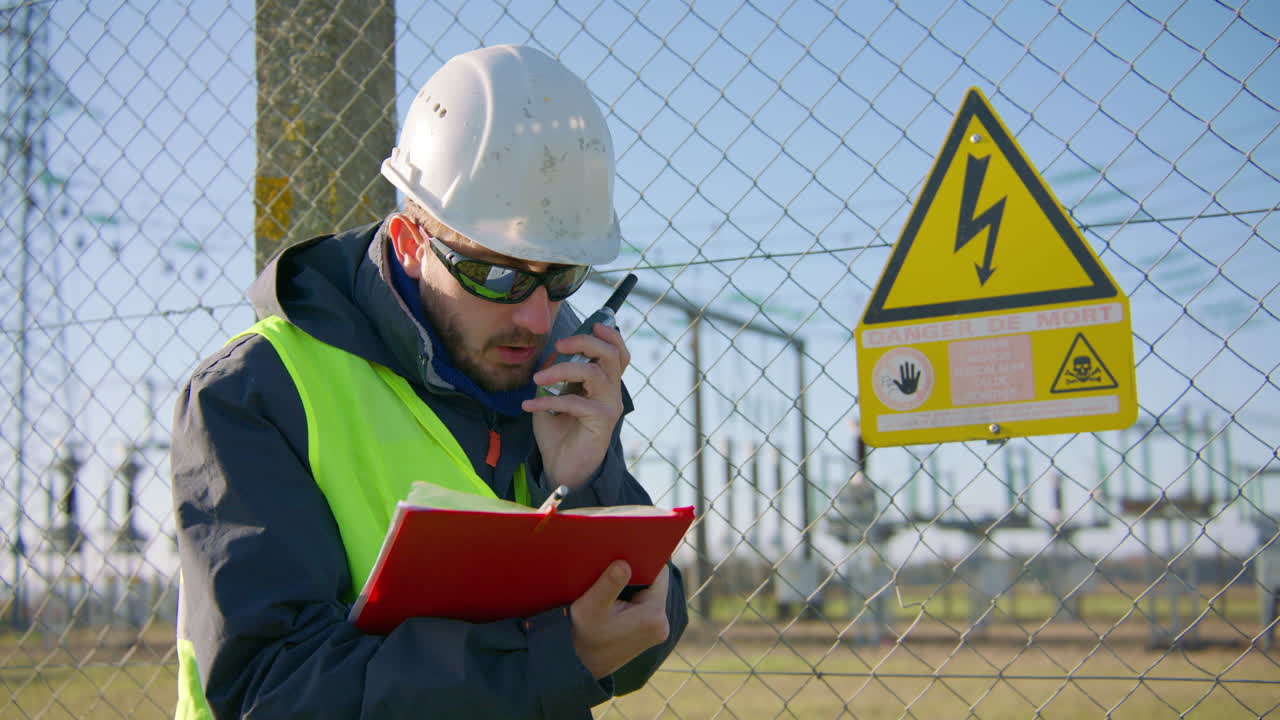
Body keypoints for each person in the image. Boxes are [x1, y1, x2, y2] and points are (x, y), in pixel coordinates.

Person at [171, 44, 687, 719]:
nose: (536, 318)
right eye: (496, 274)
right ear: (410, 244)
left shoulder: (563, 381)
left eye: (561, 276)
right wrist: (553, 660)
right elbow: (271, 689)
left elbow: (637, 641)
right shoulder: (256, 393)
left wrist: (586, 485)